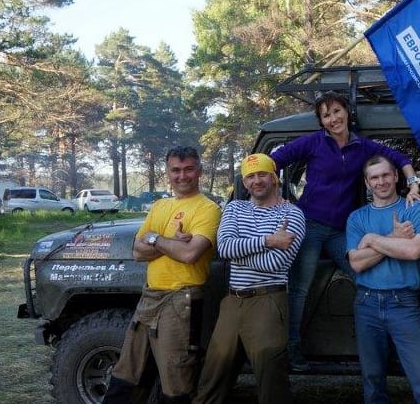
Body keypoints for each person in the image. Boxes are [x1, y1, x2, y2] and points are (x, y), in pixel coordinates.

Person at [270, 91, 420, 371]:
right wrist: (274, 194)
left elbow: (399, 158)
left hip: (342, 229)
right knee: (300, 288)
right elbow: (274, 159)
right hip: (310, 225)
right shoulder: (314, 142)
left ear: (346, 112)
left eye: (337, 111)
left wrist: (413, 185)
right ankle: (291, 350)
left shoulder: (362, 147)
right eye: (326, 115)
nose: (333, 118)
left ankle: (388, 349)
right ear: (321, 122)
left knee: (367, 277)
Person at [103, 146, 221, 404]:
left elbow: (190, 254)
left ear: (200, 171)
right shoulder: (160, 206)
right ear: (167, 172)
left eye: (189, 169)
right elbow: (137, 252)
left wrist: (155, 238)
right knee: (128, 371)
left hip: (181, 300)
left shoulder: (207, 209)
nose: (182, 176)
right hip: (150, 296)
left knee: (176, 377)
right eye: (176, 170)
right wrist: (171, 242)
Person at [194, 154, 305, 404]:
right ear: (244, 182)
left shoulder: (292, 214)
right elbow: (224, 248)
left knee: (271, 382)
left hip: (268, 300)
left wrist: (238, 252)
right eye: (250, 176)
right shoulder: (235, 208)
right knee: (212, 377)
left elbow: (275, 263)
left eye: (262, 174)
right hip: (232, 302)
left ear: (274, 177)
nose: (257, 181)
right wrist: (269, 240)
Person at [346, 155, 420, 404]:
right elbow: (356, 263)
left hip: (404, 303)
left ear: (396, 176)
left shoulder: (414, 208)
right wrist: (394, 237)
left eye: (386, 175)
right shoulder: (357, 218)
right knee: (372, 381)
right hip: (366, 303)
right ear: (367, 183)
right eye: (374, 178)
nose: (381, 182)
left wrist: (371, 240)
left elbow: (413, 252)